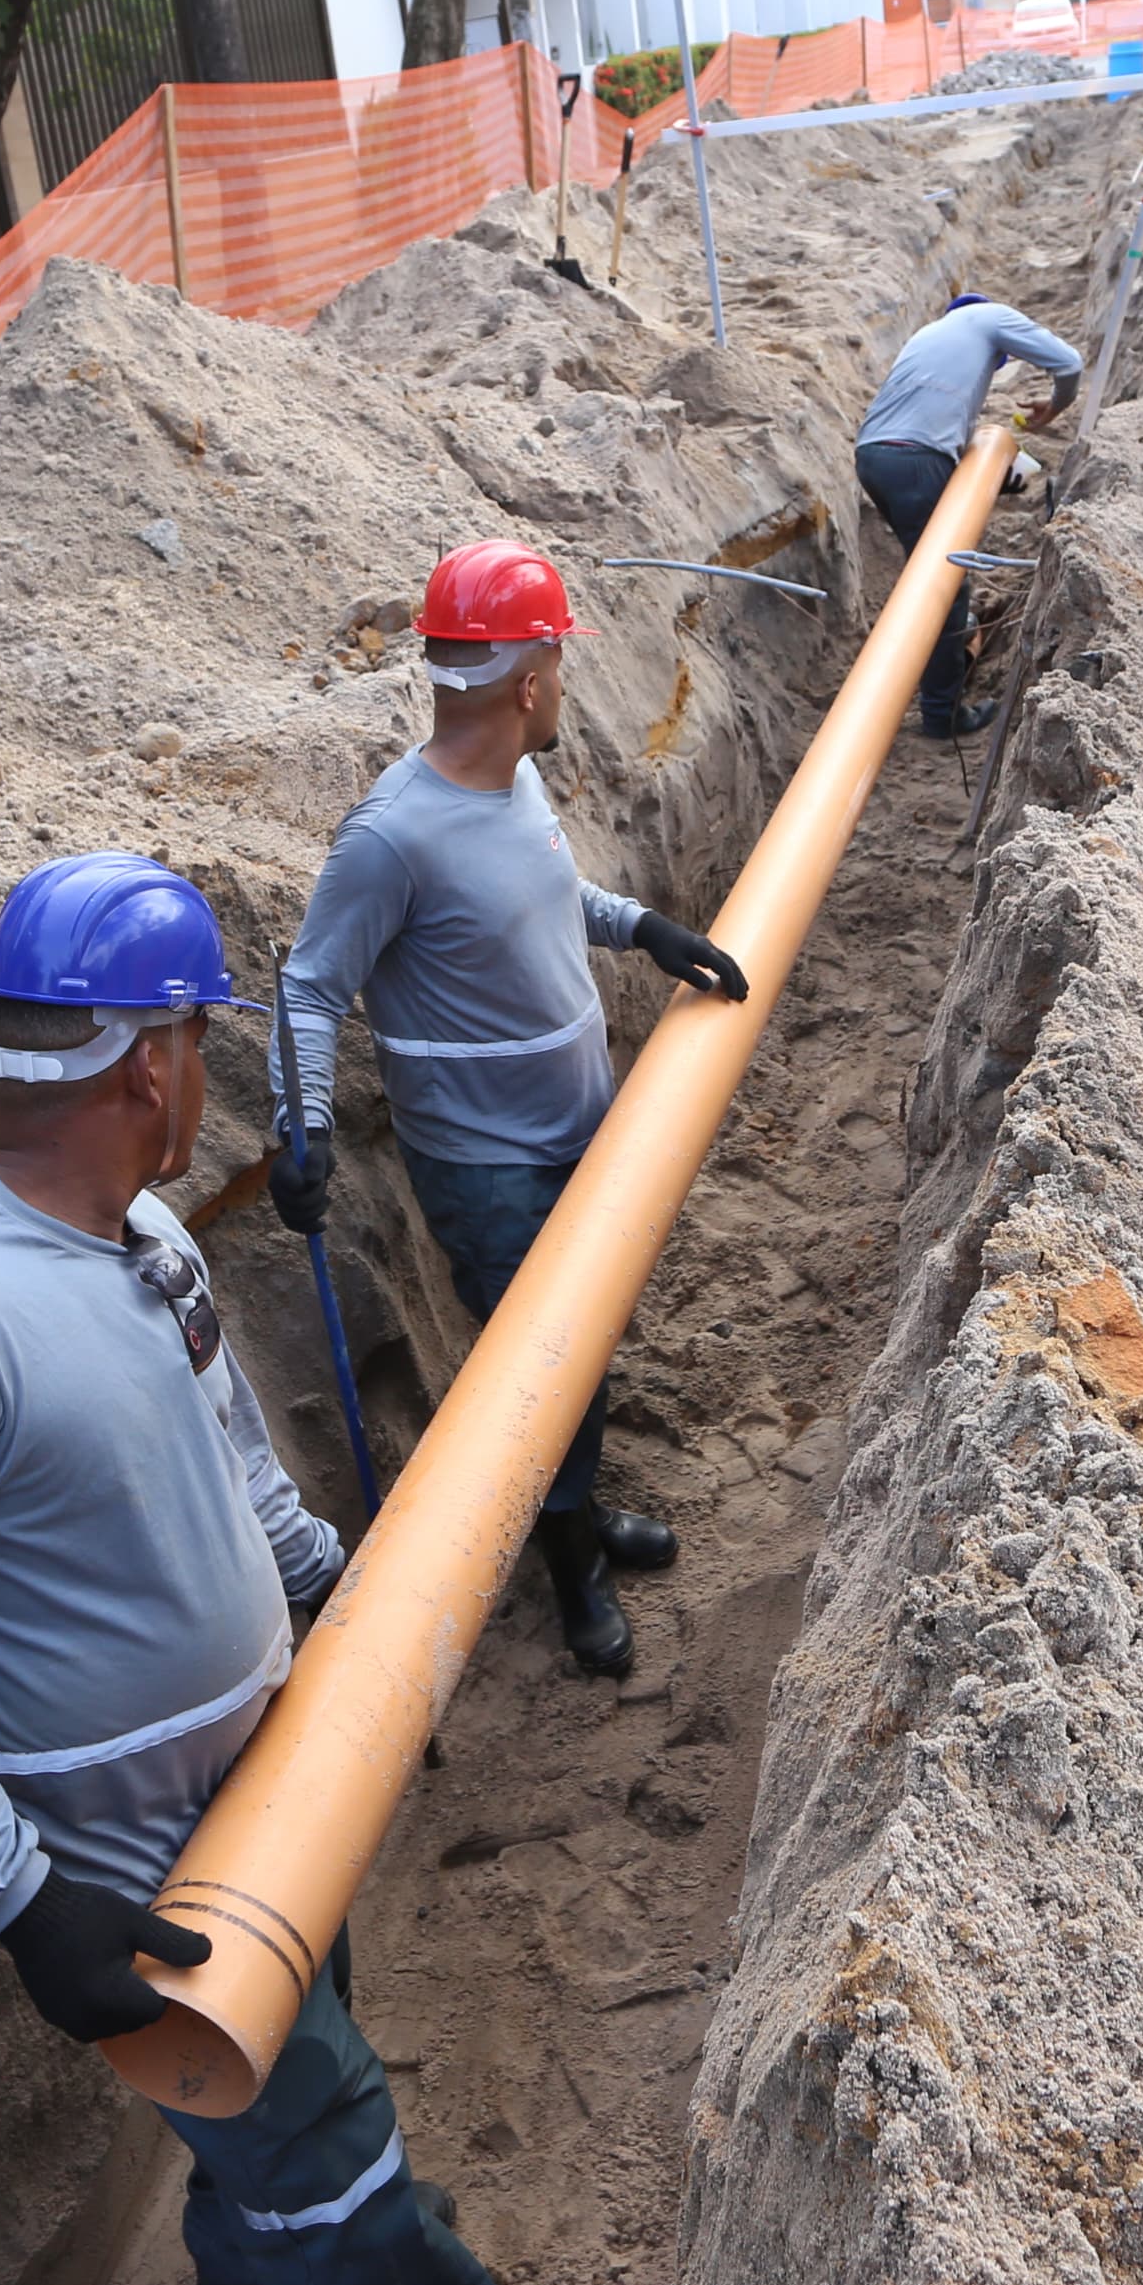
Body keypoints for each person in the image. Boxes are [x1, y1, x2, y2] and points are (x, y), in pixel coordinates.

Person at [0, 853, 493, 2285]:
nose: (206, 1075)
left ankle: (323, 2228)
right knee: (323, 2148)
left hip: (273, 1782)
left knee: (293, 2120)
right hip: (124, 1857)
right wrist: (25, 1904)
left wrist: (348, 1602)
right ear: (152, 1068)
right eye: (201, 1044)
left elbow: (229, 1454)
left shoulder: (147, 1239)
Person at [266, 540, 751, 1679]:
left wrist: (642, 929)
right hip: (488, 1163)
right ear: (527, 682)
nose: (566, 688)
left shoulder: (514, 782)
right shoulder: (392, 834)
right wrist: (304, 1128)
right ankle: (571, 1559)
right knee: (542, 1361)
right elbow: (307, 983)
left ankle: (574, 1517)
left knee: (578, 1343)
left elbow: (544, 897)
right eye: (560, 665)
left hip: (573, 1123)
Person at [848, 293, 1075, 739]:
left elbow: (934, 431)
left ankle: (947, 648)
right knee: (945, 585)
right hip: (914, 462)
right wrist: (1055, 408)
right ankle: (941, 714)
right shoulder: (989, 317)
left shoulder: (928, 342)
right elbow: (1069, 364)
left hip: (874, 457)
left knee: (925, 572)